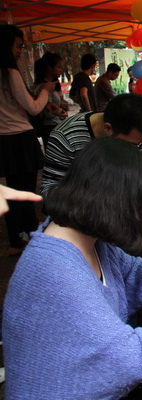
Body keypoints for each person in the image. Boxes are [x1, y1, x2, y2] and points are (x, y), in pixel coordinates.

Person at [3, 137, 142, 399]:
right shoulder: (53, 270)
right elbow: (130, 361)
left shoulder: (85, 237)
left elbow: (129, 272)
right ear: (116, 203)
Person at [0, 25, 55, 256]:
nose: (19, 51)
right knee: (25, 193)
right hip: (20, 138)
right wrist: (46, 90)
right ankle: (34, 240)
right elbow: (33, 108)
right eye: (18, 46)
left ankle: (16, 240)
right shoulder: (10, 73)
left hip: (4, 139)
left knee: (12, 193)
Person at [41, 93, 142, 197]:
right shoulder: (65, 137)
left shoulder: (136, 134)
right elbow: (49, 190)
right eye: (131, 145)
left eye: (140, 144)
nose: (135, 149)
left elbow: (136, 175)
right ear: (108, 128)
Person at [33, 51, 68, 148]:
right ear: (49, 68)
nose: (61, 70)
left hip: (57, 125)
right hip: (50, 127)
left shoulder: (54, 85)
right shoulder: (42, 87)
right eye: (58, 67)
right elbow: (48, 110)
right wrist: (59, 111)